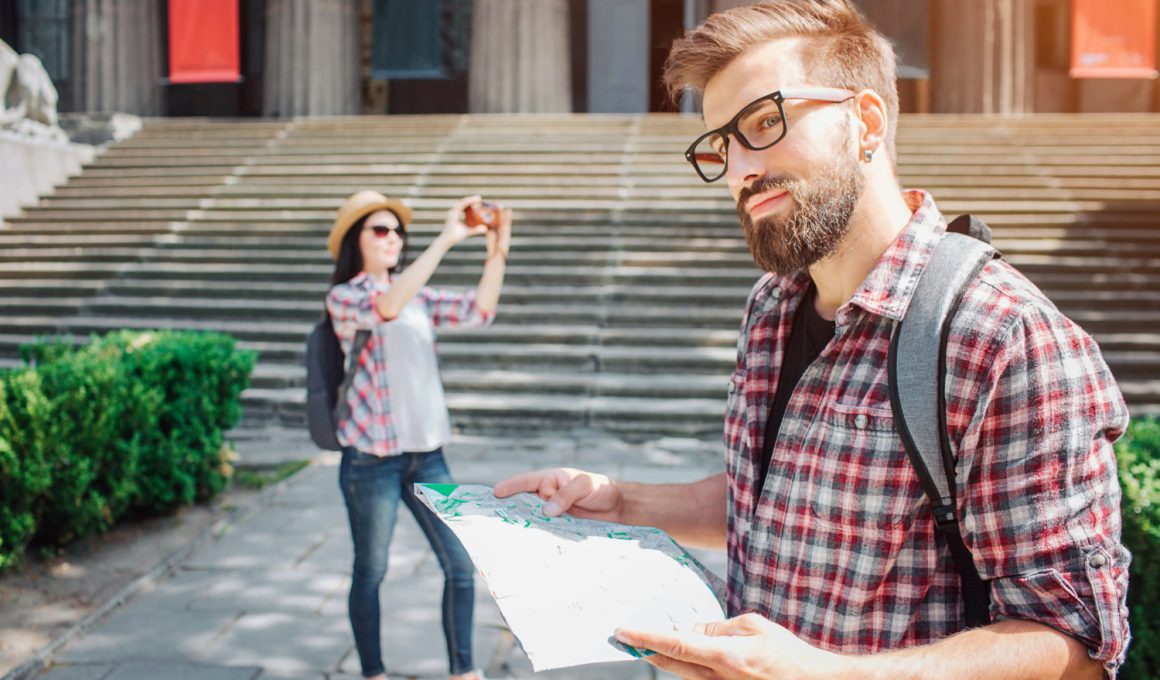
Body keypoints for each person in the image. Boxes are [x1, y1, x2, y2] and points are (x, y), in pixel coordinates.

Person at [495, 2, 1130, 678]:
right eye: (721, 145)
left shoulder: (1006, 337)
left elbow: (1076, 645)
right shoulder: (772, 305)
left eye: (765, 123)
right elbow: (773, 502)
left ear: (867, 123)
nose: (739, 169)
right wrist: (623, 503)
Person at [327, 190, 510, 680]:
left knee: (460, 565)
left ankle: (464, 672)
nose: (393, 238)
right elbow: (386, 307)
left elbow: (480, 309)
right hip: (371, 461)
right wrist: (448, 238)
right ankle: (373, 672)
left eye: (397, 231)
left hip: (426, 457)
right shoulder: (346, 298)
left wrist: (497, 249)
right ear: (355, 240)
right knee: (371, 570)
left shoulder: (418, 297)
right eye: (380, 230)